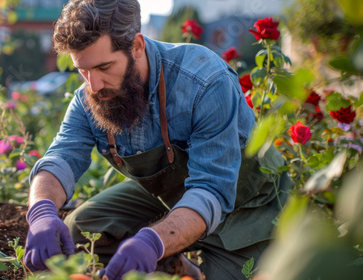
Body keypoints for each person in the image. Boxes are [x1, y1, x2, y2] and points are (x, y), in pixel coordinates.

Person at [24, 0, 292, 279]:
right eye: (83, 70)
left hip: (246, 205)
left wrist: (152, 242)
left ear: (137, 46)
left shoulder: (204, 82)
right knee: (81, 229)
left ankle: (181, 260)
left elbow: (212, 189)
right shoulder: (91, 97)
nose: (93, 85)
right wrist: (41, 213)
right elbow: (61, 157)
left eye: (104, 67)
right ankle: (172, 262)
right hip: (169, 196)